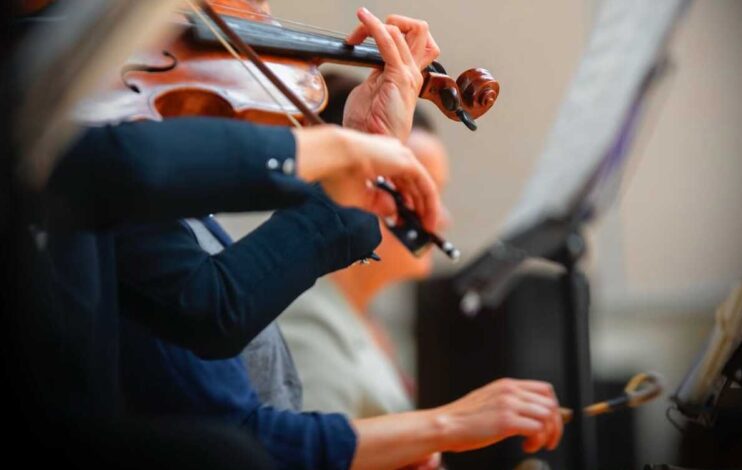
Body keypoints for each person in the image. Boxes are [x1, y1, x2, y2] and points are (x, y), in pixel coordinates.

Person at [5, 5, 440, 467]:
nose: (260, 18)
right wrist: (339, 150)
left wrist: (355, 151)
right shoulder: (69, 130)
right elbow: (121, 168)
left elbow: (205, 304)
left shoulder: (116, 166)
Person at [263, 72, 445, 418]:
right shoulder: (307, 317)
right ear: (365, 190)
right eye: (419, 190)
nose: (442, 216)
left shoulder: (366, 318)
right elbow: (312, 448)